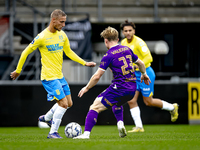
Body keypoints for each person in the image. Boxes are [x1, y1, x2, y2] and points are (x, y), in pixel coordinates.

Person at [10, 9, 96, 139]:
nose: (64, 25)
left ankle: (47, 117)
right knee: (63, 104)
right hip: (48, 77)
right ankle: (52, 133)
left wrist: (84, 63)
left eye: (64, 22)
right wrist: (18, 70)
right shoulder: (42, 37)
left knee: (69, 103)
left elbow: (69, 52)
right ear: (53, 20)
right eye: (61, 22)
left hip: (59, 76)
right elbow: (25, 52)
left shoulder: (62, 35)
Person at [73, 26, 151, 139]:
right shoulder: (127, 49)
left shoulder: (108, 55)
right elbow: (141, 64)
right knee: (117, 103)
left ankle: (86, 134)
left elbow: (97, 76)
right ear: (118, 39)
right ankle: (120, 124)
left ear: (106, 41)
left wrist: (86, 87)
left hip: (120, 87)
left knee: (94, 107)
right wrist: (144, 74)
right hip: (132, 89)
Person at [112, 20, 179, 133]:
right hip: (133, 76)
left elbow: (149, 58)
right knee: (131, 100)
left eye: (130, 30)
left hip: (145, 74)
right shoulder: (123, 43)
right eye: (125, 31)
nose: (128, 32)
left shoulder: (139, 42)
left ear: (134, 31)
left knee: (148, 101)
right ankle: (139, 127)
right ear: (123, 32)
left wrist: (135, 66)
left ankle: (173, 107)